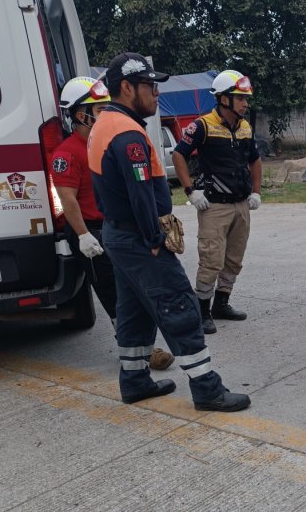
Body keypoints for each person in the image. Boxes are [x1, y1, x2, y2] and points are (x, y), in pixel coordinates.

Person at [88, 52, 250, 411]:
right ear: (127, 88)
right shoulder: (127, 133)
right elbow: (140, 193)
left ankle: (134, 380)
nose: (156, 92)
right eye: (149, 85)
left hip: (118, 235)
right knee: (180, 305)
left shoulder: (105, 123)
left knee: (134, 311)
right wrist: (154, 240)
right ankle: (208, 389)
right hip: (138, 237)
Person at [52, 76, 173, 371]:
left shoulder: (104, 141)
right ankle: (133, 348)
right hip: (91, 231)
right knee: (112, 292)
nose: (105, 112)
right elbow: (67, 198)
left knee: (130, 286)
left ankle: (138, 345)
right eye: (99, 108)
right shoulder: (67, 153)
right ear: (81, 115)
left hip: (115, 227)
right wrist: (82, 235)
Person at [172, 70, 262, 335]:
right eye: (240, 98)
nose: (246, 103)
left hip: (241, 204)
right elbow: (179, 155)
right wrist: (190, 191)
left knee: (234, 258)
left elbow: (255, 160)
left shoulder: (245, 126)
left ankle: (222, 303)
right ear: (223, 99)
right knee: (211, 259)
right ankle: (202, 310)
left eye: (246, 98)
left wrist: (256, 192)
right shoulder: (202, 126)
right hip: (214, 206)